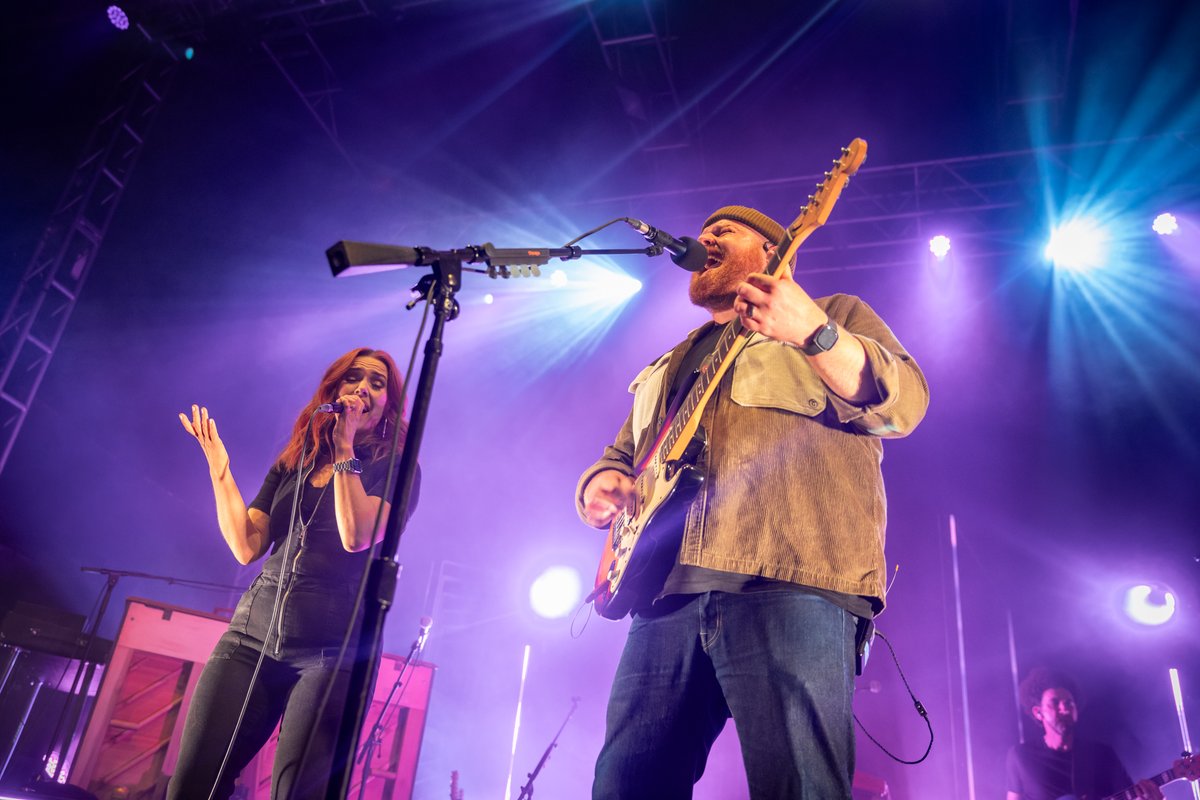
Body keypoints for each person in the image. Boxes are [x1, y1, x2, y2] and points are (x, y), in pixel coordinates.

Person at [576, 205, 929, 798]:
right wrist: (596, 486)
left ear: (772, 252)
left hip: (789, 580)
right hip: (664, 595)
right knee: (623, 786)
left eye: (725, 232)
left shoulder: (833, 314)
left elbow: (906, 403)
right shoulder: (668, 364)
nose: (705, 237)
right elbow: (621, 454)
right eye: (705, 230)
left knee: (801, 787)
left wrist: (812, 333)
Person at [168, 347, 419, 800]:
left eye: (376, 383)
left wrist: (345, 446)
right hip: (251, 637)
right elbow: (246, 545)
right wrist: (219, 469)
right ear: (334, 390)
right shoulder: (298, 457)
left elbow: (356, 534)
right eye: (353, 378)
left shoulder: (399, 469)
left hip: (332, 651)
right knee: (192, 786)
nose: (362, 387)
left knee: (296, 792)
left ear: (388, 405)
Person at [1006, 667, 1167, 800]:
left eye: (1069, 702)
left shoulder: (1102, 754)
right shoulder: (1021, 756)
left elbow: (1132, 795)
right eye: (1055, 703)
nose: (1064, 708)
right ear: (1038, 712)